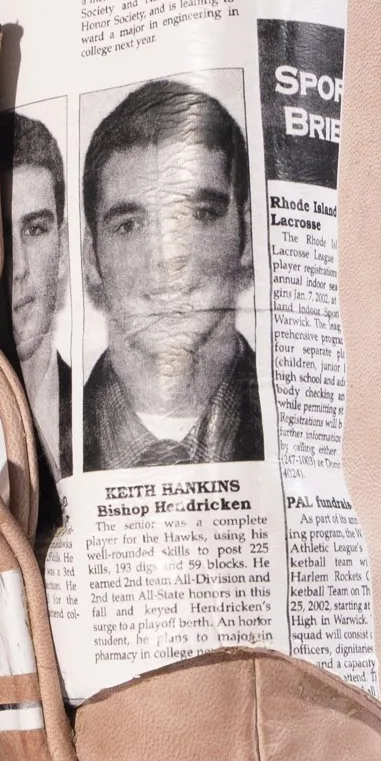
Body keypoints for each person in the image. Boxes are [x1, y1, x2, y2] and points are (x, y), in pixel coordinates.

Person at [80, 77, 263, 468]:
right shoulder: (47, 435)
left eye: (200, 215)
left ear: (246, 238)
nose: (166, 259)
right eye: (129, 225)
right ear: (91, 258)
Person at [0, 108, 70, 481]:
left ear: (63, 249)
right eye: (2, 234)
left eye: (35, 229)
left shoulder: (106, 409)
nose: (19, 267)